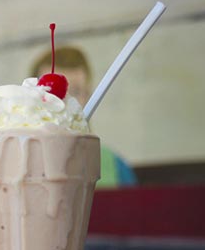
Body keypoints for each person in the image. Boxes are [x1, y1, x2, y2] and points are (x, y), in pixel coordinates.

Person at [31, 46, 137, 188]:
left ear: (88, 96)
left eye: (75, 91)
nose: (63, 104)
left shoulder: (115, 167)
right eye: (52, 93)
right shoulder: (12, 164)